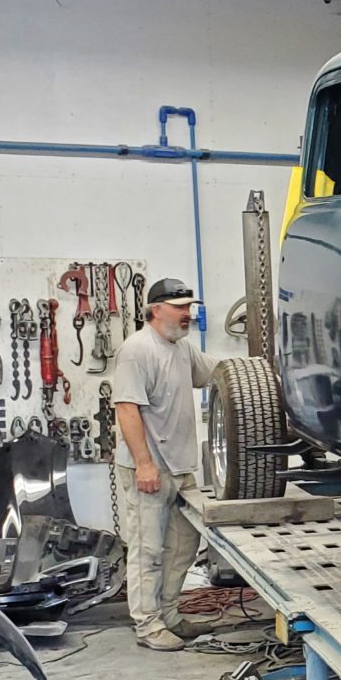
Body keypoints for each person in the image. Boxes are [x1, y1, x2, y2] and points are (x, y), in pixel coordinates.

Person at [112, 278, 215, 651]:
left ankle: (169, 614)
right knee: (148, 549)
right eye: (180, 307)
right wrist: (144, 465)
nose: (188, 314)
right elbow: (126, 409)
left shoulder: (182, 349)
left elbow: (214, 374)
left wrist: (258, 369)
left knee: (184, 545)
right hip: (148, 468)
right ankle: (148, 625)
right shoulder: (137, 351)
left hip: (180, 468)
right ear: (156, 310)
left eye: (190, 307)